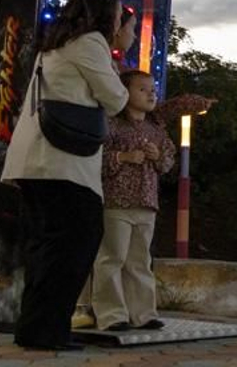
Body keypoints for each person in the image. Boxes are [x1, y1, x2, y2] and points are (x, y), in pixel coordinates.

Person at [1, 0, 133, 351]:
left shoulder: (58, 42)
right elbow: (117, 99)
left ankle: (38, 329)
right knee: (74, 245)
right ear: (104, 14)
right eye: (120, 14)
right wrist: (118, 57)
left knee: (47, 248)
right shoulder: (90, 42)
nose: (122, 20)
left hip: (36, 160)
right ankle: (47, 332)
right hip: (61, 163)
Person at [90, 70, 175, 331]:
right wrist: (124, 157)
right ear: (124, 93)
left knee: (140, 260)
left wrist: (158, 156)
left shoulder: (156, 130)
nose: (151, 94)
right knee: (112, 257)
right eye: (142, 89)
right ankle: (111, 314)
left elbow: (168, 162)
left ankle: (143, 314)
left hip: (146, 201)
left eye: (153, 90)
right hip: (116, 200)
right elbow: (96, 158)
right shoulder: (112, 125)